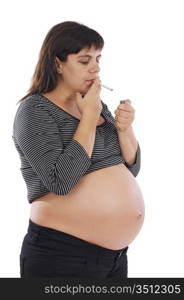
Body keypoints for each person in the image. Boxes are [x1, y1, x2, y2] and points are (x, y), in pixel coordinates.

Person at [12, 21, 145, 278]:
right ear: (57, 64)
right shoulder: (34, 111)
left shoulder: (95, 106)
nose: (95, 69)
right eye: (84, 61)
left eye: (98, 59)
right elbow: (61, 181)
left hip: (113, 259)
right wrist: (88, 119)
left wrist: (125, 129)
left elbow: (130, 169)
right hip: (61, 256)